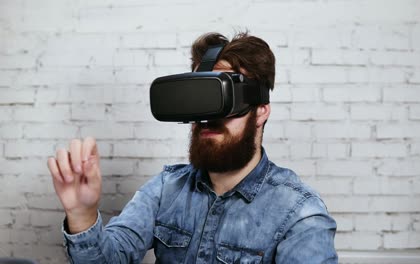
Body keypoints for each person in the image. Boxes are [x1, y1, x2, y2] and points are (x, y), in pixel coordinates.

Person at [47, 32, 338, 263]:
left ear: (260, 111)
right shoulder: (166, 190)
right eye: (200, 100)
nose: (207, 118)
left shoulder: (298, 213)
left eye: (222, 99)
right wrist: (83, 215)